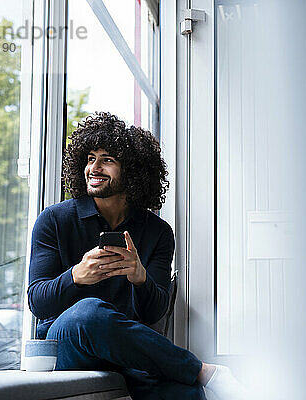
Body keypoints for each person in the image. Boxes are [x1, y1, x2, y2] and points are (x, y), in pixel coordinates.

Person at [28, 112, 243, 400]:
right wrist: (76, 277)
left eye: (107, 160)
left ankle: (195, 378)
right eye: (90, 158)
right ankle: (206, 371)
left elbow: (154, 313)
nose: (94, 167)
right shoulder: (54, 220)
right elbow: (38, 302)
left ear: (132, 170)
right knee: (90, 311)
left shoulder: (157, 232)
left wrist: (140, 279)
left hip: (124, 350)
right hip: (64, 345)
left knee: (184, 391)